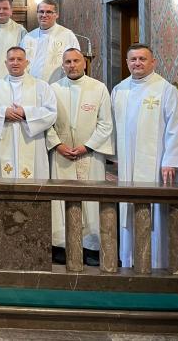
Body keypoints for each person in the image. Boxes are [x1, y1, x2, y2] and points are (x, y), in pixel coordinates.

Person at [112, 43, 178, 269]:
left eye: (142, 59)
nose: (137, 63)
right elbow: (114, 128)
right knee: (129, 211)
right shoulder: (119, 90)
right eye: (133, 59)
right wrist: (115, 159)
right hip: (128, 167)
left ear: (153, 62)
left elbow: (177, 126)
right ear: (127, 63)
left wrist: (171, 160)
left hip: (160, 167)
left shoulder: (166, 90)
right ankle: (131, 263)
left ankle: (163, 264)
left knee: (159, 214)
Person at [46, 48, 113, 266]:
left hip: (90, 154)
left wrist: (87, 146)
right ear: (62, 65)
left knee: (91, 201)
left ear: (84, 63)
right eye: (67, 62)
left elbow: (105, 124)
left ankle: (91, 247)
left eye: (76, 61)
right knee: (60, 200)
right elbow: (46, 122)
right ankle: (61, 246)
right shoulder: (53, 89)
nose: (72, 65)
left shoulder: (98, 88)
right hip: (62, 153)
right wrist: (57, 144)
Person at [0, 47, 57, 179]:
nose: (15, 63)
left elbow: (51, 113)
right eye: (11, 59)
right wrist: (3, 113)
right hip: (2, 142)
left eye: (19, 59)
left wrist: (26, 113)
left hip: (32, 142)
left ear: (26, 62)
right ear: (6, 63)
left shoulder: (41, 86)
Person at [22, 0, 79, 84]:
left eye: (48, 12)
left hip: (57, 86)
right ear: (37, 14)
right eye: (41, 12)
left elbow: (75, 63)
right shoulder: (28, 37)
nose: (44, 15)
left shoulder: (67, 36)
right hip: (31, 86)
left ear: (56, 15)